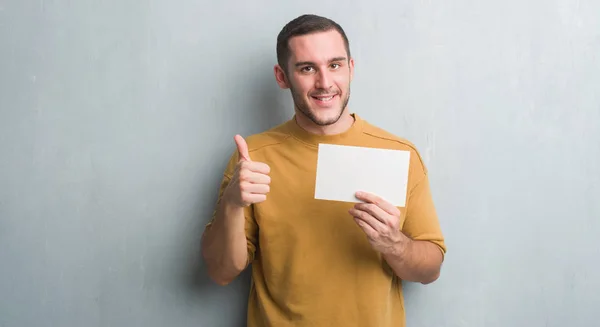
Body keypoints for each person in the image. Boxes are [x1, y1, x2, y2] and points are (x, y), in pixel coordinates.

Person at [201, 14, 446, 327]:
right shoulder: (253, 159)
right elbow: (221, 272)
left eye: (334, 65)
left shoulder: (398, 154)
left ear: (351, 69)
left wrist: (394, 244)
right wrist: (232, 204)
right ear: (282, 76)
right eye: (307, 68)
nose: (325, 83)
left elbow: (430, 270)